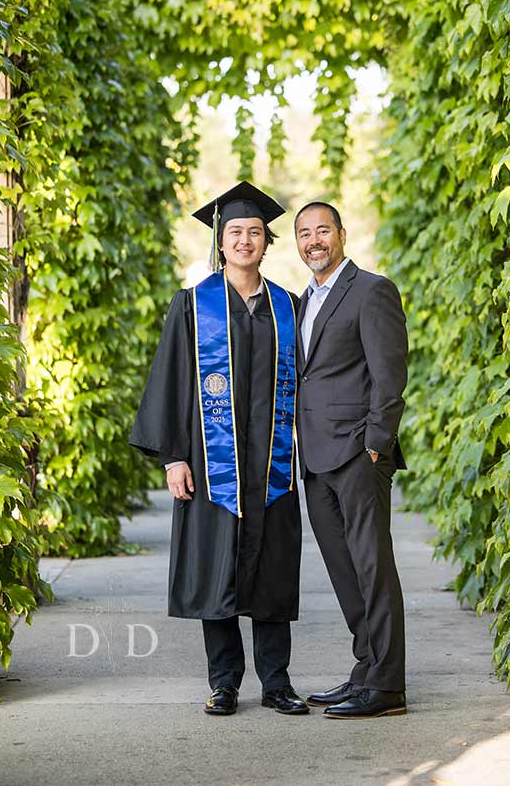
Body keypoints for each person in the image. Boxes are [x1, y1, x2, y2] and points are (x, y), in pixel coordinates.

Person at [130, 181, 307, 717]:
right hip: (213, 464)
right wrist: (174, 456)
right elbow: (170, 380)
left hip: (272, 466)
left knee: (273, 575)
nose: (245, 240)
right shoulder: (192, 306)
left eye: (255, 232)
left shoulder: (288, 307)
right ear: (221, 242)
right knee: (219, 574)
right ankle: (224, 682)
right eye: (235, 232)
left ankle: (277, 683)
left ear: (266, 242)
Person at [293, 201, 408, 719]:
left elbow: (389, 374)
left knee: (372, 567)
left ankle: (387, 687)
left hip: (360, 453)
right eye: (304, 234)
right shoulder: (300, 302)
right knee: (344, 571)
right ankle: (365, 670)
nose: (314, 240)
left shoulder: (371, 290)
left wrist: (376, 443)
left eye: (322, 230)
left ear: (341, 233)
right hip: (315, 459)